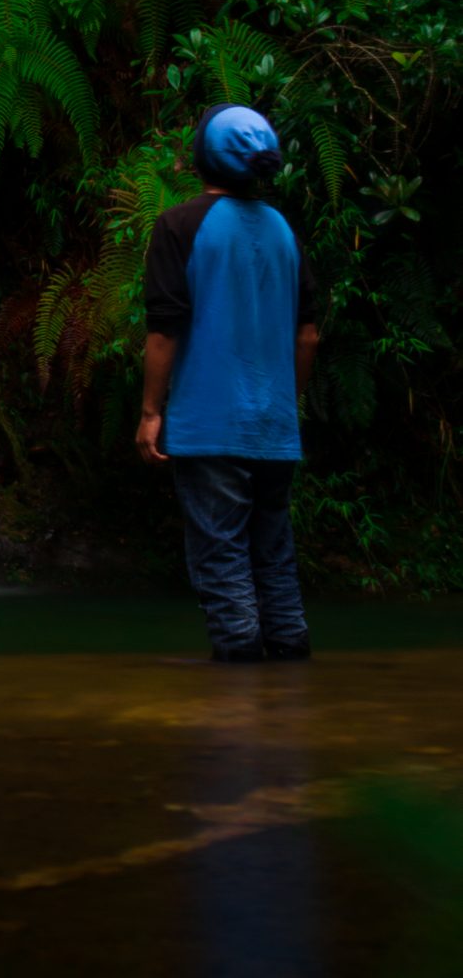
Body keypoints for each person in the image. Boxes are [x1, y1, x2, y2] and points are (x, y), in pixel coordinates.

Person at [138, 104, 321, 662]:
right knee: (273, 553)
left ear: (202, 158)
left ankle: (241, 692)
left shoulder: (179, 226)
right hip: (274, 426)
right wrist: (288, 404)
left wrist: (150, 412)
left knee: (221, 558)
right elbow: (309, 335)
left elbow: (164, 330)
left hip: (211, 424)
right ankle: (289, 674)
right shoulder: (283, 230)